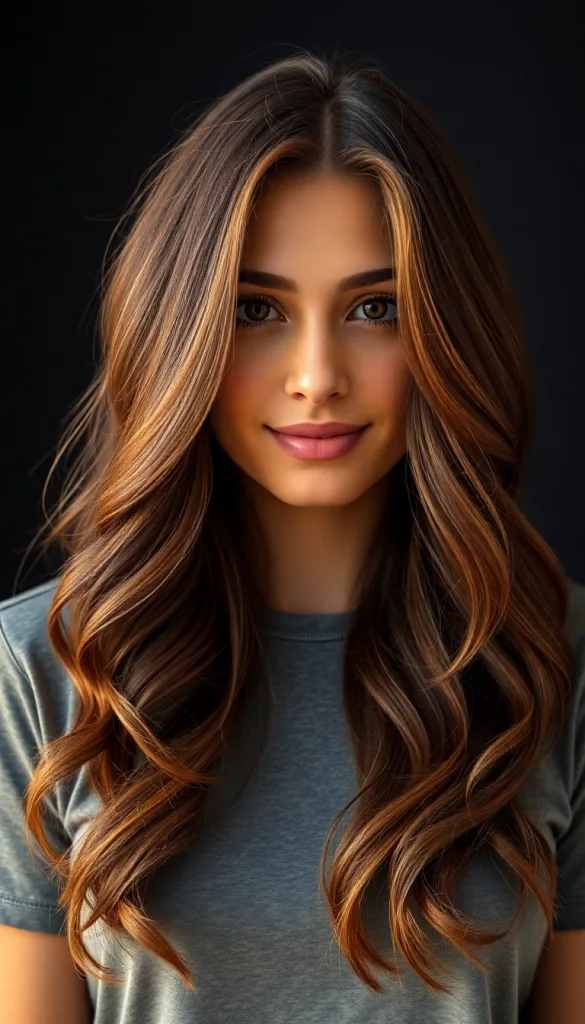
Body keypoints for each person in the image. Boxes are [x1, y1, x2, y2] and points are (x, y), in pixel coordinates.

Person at [1, 48, 584, 1024]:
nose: (316, 373)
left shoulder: (554, 663)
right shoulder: (44, 671)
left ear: (446, 329)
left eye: (374, 309)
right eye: (256, 309)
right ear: (182, 330)